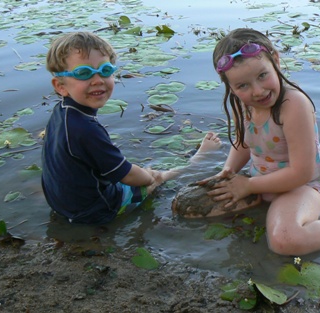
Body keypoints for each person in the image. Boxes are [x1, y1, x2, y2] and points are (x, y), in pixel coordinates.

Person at [201, 28, 320, 256]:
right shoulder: (244, 104)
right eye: (242, 86)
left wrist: (248, 185)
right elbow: (244, 143)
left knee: (284, 240)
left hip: (300, 187)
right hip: (260, 183)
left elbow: (302, 173)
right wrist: (228, 171)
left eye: (262, 75)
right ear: (230, 87)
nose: (257, 91)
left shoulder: (293, 104)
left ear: (275, 59)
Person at [42, 31, 221, 225]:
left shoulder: (62, 113)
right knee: (154, 179)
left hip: (62, 205)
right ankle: (197, 159)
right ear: (60, 86)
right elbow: (127, 175)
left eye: (105, 70)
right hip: (94, 212)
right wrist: (149, 177)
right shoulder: (85, 129)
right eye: (83, 73)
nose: (97, 80)